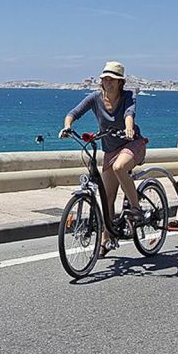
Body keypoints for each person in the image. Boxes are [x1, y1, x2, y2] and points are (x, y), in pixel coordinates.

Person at [59, 61, 149, 254]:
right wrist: (67, 126)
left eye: (112, 79)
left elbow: (129, 114)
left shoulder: (128, 96)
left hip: (132, 143)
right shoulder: (94, 98)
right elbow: (73, 113)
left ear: (119, 83)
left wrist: (129, 129)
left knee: (119, 168)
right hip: (110, 149)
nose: (107, 82)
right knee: (106, 198)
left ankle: (136, 208)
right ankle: (106, 240)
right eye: (105, 79)